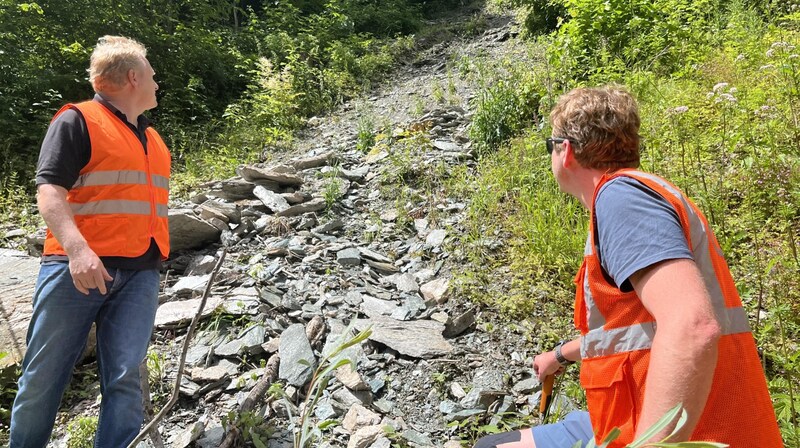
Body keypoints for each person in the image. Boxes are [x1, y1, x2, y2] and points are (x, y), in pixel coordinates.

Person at [474, 86, 783, 447]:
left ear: (566, 151)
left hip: (690, 433)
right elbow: (633, 330)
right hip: (629, 418)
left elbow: (692, 326)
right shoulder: (635, 197)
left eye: (550, 145)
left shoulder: (622, 200)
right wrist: (559, 355)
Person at [9, 35, 170, 448]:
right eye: (151, 74)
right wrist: (78, 251)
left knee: (125, 378)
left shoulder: (152, 139)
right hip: (75, 270)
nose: (156, 82)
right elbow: (49, 192)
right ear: (132, 77)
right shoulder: (77, 121)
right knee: (43, 378)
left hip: (139, 273)